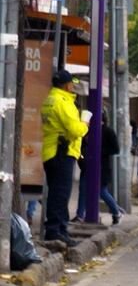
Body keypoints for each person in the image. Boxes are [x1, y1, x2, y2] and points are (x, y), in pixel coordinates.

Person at [40, 69, 90, 246]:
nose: (73, 86)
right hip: (62, 152)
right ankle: (55, 230)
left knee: (57, 191)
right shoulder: (63, 102)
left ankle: (60, 229)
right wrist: (85, 124)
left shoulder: (50, 99)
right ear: (66, 84)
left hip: (52, 151)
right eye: (72, 83)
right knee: (61, 193)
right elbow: (75, 130)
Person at [73, 116, 124, 225]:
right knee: (83, 190)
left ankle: (116, 212)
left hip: (102, 167)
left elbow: (115, 149)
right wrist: (81, 159)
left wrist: (99, 151)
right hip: (86, 165)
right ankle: (80, 215)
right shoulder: (85, 131)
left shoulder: (108, 132)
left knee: (102, 191)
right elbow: (80, 147)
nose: (89, 123)